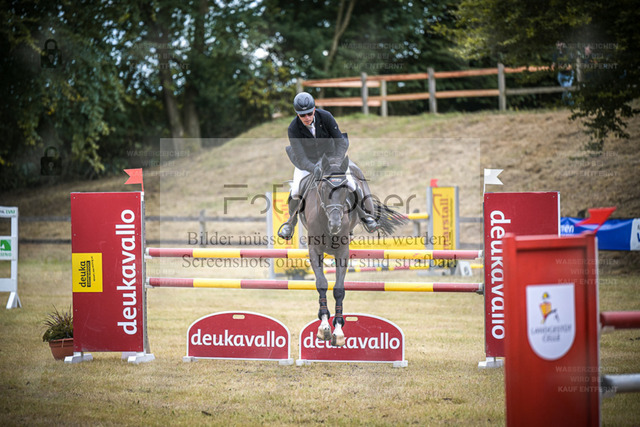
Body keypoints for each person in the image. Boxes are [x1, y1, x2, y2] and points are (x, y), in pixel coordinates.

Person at [277, 92, 378, 240]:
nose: (307, 118)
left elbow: (340, 142)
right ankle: (290, 223)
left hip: (332, 158)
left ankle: (364, 216)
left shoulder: (326, 117)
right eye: (302, 115)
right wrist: (313, 168)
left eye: (309, 113)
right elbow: (301, 157)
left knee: (351, 183)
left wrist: (335, 162)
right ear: (297, 114)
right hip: (308, 162)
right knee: (296, 190)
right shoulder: (293, 128)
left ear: (314, 109)